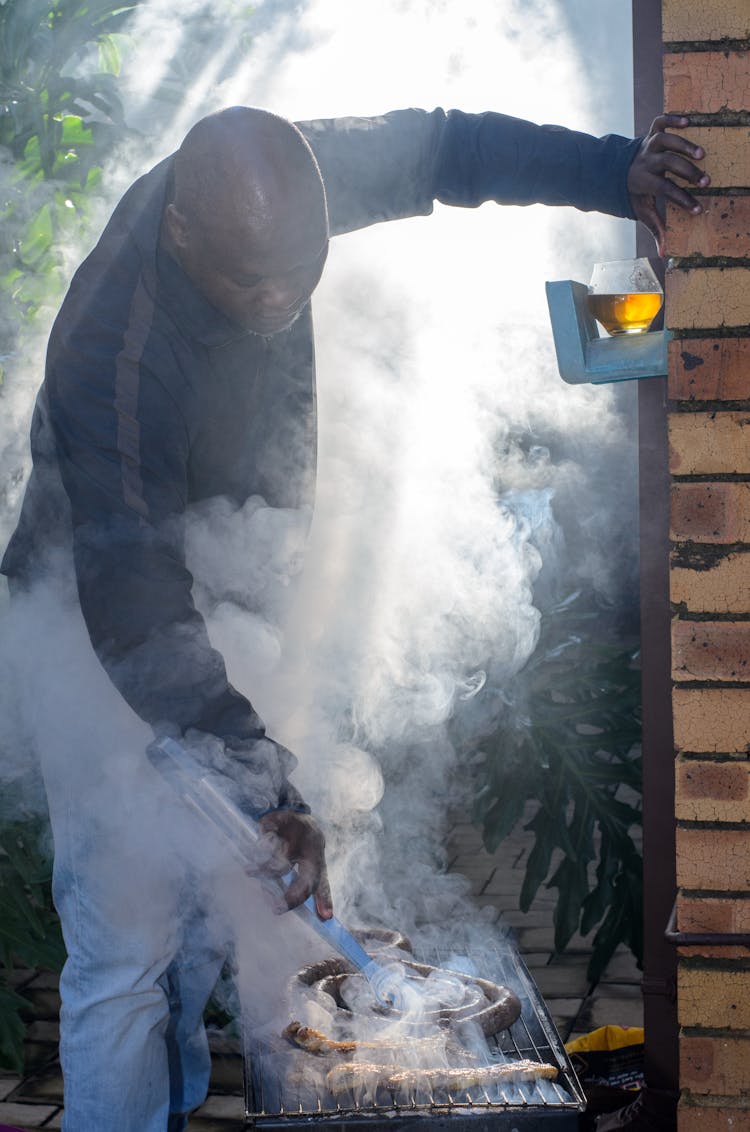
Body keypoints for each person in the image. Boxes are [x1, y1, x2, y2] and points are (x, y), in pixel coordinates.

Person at [1, 105, 707, 1131]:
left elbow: (452, 150)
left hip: (216, 601)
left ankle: (173, 1103)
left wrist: (616, 175)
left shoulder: (293, 184)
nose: (282, 297)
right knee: (126, 949)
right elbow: (137, 600)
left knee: (199, 931)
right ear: (189, 235)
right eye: (255, 283)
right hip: (94, 622)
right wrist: (261, 772)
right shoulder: (115, 344)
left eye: (302, 269)